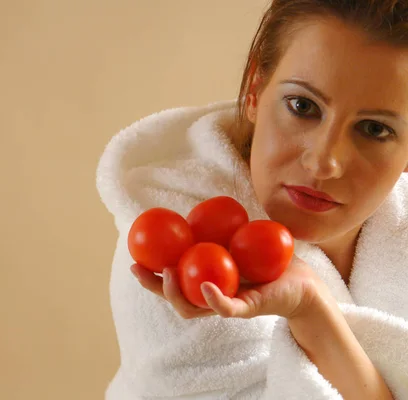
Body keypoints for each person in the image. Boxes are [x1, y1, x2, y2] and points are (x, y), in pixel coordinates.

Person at [96, 1, 408, 399]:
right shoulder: (183, 252)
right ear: (256, 90)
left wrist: (310, 308)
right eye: (303, 106)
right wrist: (311, 312)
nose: (323, 162)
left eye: (373, 129)